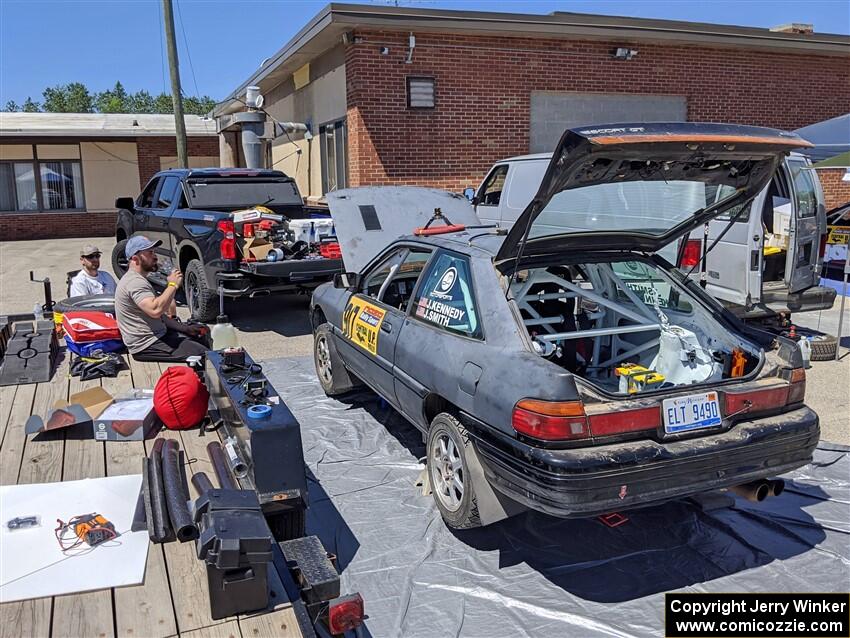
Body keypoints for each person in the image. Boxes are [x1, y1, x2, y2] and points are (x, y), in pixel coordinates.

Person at [114, 236, 207, 362]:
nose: (155, 256)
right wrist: (172, 285)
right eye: (150, 253)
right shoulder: (134, 282)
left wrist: (185, 328)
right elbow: (155, 310)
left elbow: (160, 317)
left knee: (202, 334)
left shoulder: (138, 279)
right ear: (135, 259)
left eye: (154, 251)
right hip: (146, 344)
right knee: (204, 355)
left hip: (158, 335)